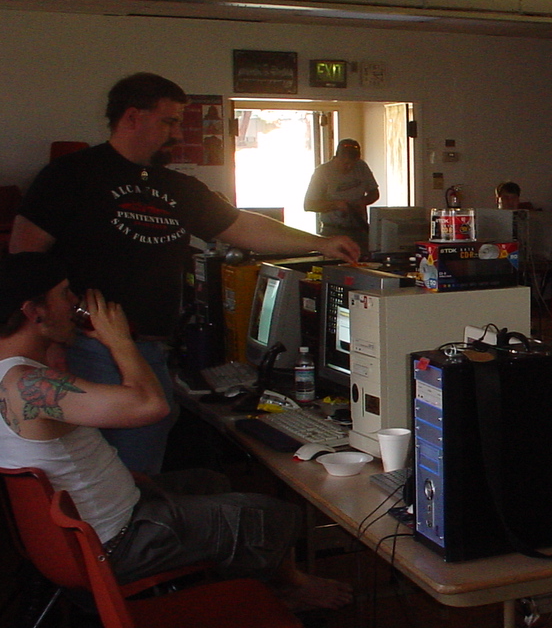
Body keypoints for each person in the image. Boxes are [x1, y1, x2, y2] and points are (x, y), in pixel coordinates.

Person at [10, 73, 362, 476]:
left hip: (150, 347)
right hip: (87, 346)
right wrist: (46, 346)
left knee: (144, 456)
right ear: (132, 117)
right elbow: (24, 261)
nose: (177, 133)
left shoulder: (178, 187)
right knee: (115, 468)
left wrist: (320, 243)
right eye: (169, 121)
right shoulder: (71, 175)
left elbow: (241, 226)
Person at [0, 252, 351, 609]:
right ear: (34, 312)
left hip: (92, 527)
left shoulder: (14, 374)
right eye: (64, 293)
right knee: (268, 514)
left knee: (210, 482)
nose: (74, 301)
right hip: (118, 542)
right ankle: (291, 590)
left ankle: (242, 583)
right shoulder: (30, 385)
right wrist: (118, 340)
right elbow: (151, 406)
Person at [304, 138, 380, 251]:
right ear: (336, 157)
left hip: (359, 230)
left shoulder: (362, 167)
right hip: (333, 231)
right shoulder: (322, 172)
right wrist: (336, 205)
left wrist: (362, 202)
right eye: (346, 163)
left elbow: (375, 193)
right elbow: (309, 205)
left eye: (353, 163)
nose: (349, 167)